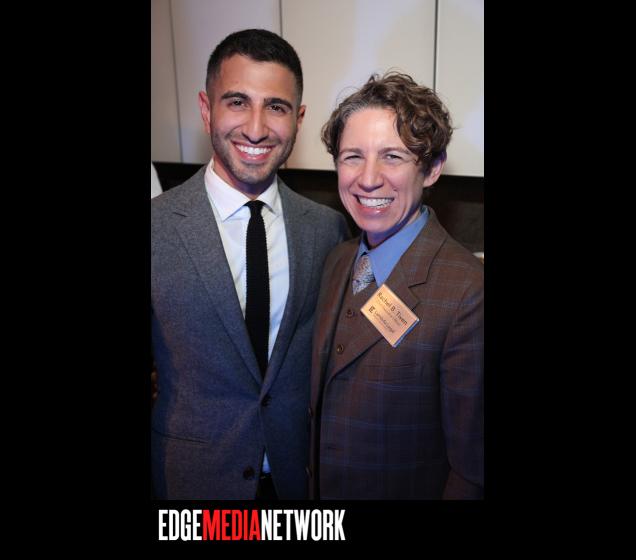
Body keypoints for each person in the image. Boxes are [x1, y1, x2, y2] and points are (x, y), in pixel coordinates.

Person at [151, 29, 349, 500]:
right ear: (206, 109)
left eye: (276, 107)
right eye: (237, 102)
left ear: (299, 119)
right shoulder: (157, 228)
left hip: (299, 482)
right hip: (190, 487)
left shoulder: (328, 229)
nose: (257, 128)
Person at [309, 72, 483, 499]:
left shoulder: (469, 293)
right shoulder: (337, 261)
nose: (368, 179)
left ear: (432, 168)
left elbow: (472, 470)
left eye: (392, 156)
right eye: (352, 156)